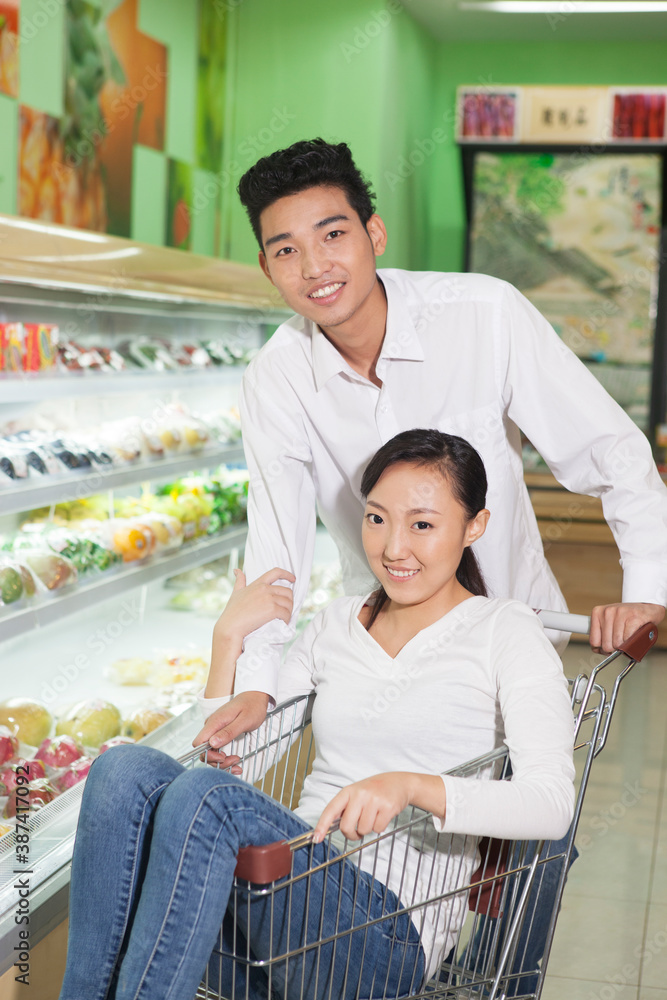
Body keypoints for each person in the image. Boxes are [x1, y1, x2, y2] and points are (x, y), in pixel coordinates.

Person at [58, 430, 575, 1000]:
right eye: (377, 519)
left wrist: (412, 786)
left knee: (206, 798)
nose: (394, 548)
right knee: (122, 770)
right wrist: (227, 640)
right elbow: (234, 770)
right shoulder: (334, 624)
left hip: (385, 936)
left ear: (474, 526)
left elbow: (550, 804)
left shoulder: (506, 631)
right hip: (285, 902)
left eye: (422, 525)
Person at [209, 138, 667, 748]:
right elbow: (275, 550)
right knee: (384, 835)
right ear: (269, 268)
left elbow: (611, 450)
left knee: (520, 823)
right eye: (286, 250)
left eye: (333, 234)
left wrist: (647, 594)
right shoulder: (276, 379)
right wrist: (258, 682)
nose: (314, 267)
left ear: (374, 234)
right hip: (389, 663)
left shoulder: (484, 313)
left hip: (517, 647)